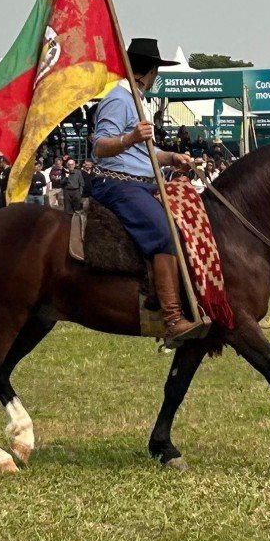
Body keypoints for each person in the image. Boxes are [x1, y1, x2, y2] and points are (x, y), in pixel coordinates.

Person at [87, 37, 205, 343]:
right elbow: (100, 146)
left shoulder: (138, 100)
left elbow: (144, 155)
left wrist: (171, 157)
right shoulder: (119, 99)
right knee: (165, 233)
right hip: (117, 183)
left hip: (142, 180)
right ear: (151, 72)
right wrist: (129, 138)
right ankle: (172, 320)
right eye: (157, 72)